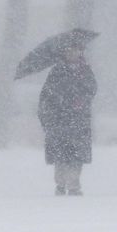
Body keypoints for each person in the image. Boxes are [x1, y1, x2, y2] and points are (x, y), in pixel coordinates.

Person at [37, 43, 97, 195]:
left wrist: (81, 98)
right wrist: (58, 103)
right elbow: (47, 94)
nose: (72, 54)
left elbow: (92, 89)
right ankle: (61, 183)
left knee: (76, 156)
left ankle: (74, 185)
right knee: (61, 155)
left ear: (80, 52)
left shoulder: (86, 71)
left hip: (78, 120)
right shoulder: (56, 71)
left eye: (75, 51)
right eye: (69, 51)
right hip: (59, 120)